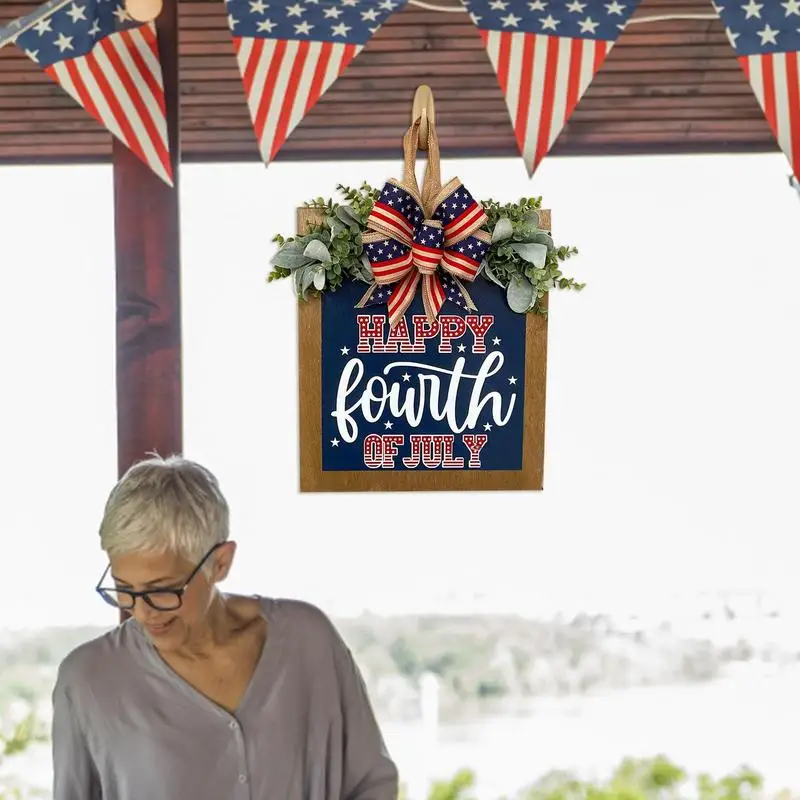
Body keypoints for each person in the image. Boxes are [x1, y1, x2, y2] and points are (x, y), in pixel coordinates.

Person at [52, 455, 399, 800]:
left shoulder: (308, 641)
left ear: (220, 563)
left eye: (162, 590)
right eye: (124, 588)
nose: (142, 613)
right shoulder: (86, 682)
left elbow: (372, 783)